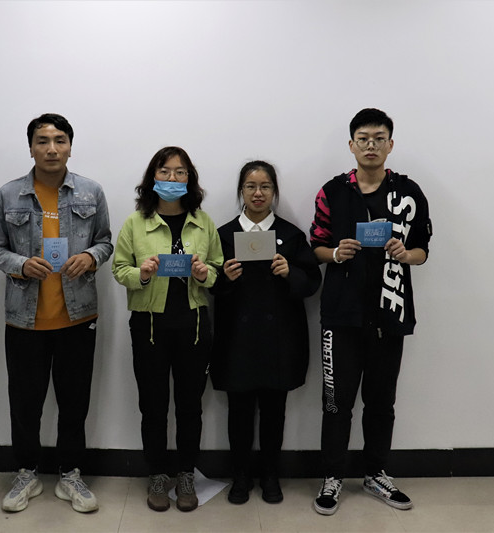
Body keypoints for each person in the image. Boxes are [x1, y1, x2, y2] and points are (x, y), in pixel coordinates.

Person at [0, 113, 112, 514]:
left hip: (78, 317)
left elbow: (106, 241)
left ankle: (70, 473)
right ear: (31, 148)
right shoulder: (8, 195)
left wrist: (91, 257)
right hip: (24, 319)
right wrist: (21, 264)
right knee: (25, 403)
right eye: (42, 141)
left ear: (70, 146)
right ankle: (27, 472)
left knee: (74, 401)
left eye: (60, 140)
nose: (52, 148)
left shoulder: (91, 192)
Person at [309, 108, 432, 515]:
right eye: (363, 138)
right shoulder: (332, 191)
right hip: (340, 317)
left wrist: (406, 254)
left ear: (390, 144)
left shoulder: (408, 193)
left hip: (388, 315)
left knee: (381, 403)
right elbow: (316, 245)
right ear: (351, 145)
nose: (371, 145)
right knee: (336, 403)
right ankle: (332, 476)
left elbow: (423, 249)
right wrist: (335, 253)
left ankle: (376, 473)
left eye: (379, 138)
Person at [112, 146, 223, 512]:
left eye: (180, 172)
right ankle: (158, 475)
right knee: (153, 406)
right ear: (153, 178)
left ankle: (186, 474)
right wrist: (141, 274)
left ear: (189, 179)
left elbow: (217, 267)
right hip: (149, 326)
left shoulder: (203, 222)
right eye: (164, 171)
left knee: (190, 406)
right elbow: (119, 269)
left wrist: (205, 273)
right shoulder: (135, 223)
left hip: (194, 326)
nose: (172, 178)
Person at [211, 161, 321, 505]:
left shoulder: (291, 235)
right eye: (250, 186)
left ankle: (271, 475)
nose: (258, 193)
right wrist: (224, 278)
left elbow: (311, 282)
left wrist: (290, 272)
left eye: (265, 187)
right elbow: (208, 284)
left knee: (275, 412)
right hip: (237, 339)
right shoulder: (223, 235)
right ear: (241, 191)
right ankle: (240, 476)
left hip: (280, 339)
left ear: (274, 192)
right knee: (239, 412)